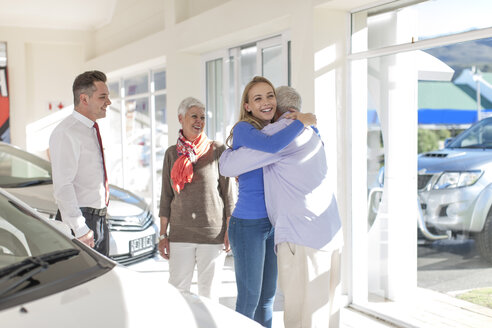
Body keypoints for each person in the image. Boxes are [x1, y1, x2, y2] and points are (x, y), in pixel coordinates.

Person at [220, 86, 344, 328]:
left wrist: (226, 154)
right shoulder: (311, 132)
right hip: (327, 232)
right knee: (325, 311)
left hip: (302, 236)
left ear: (280, 111)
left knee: (300, 313)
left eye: (270, 98)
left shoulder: (283, 132)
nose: (266, 104)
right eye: (258, 98)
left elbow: (228, 166)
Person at [158, 97, 235, 301]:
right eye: (194, 116)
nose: (199, 121)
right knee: (177, 292)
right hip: (180, 234)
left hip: (212, 234)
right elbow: (166, 197)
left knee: (209, 295)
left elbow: (228, 194)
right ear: (180, 118)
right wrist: (162, 235)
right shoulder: (171, 154)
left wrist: (230, 229)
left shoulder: (217, 150)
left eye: (202, 117)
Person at [49, 70, 112, 255]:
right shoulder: (66, 132)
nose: (108, 102)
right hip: (81, 223)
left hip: (99, 220)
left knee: (103, 281)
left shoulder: (92, 129)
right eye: (103, 97)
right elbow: (63, 186)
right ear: (84, 99)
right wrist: (80, 228)